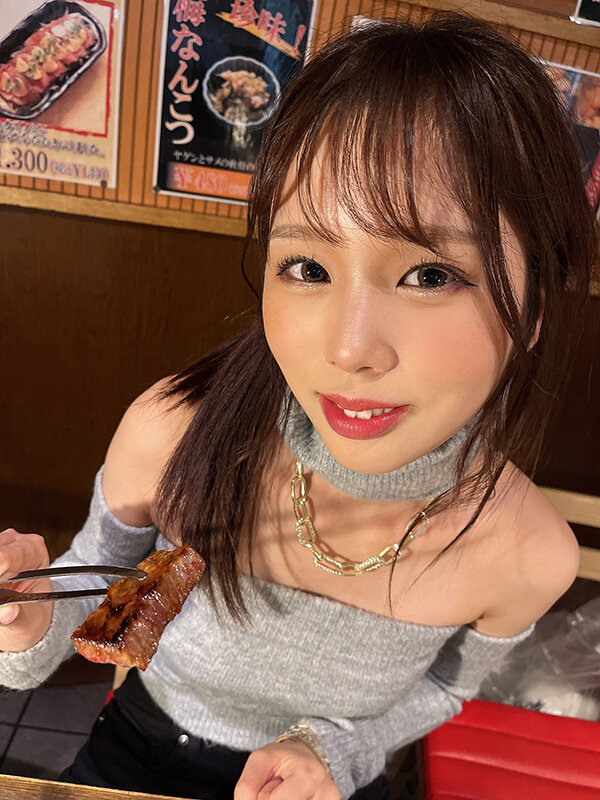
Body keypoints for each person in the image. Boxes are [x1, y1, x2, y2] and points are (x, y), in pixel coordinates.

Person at [0, 12, 596, 800]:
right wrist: (25, 618)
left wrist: (335, 753)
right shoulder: (176, 433)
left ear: (533, 312)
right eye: (308, 267)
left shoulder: (529, 554)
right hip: (141, 750)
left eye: (431, 275)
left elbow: (447, 690)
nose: (348, 350)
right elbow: (90, 611)